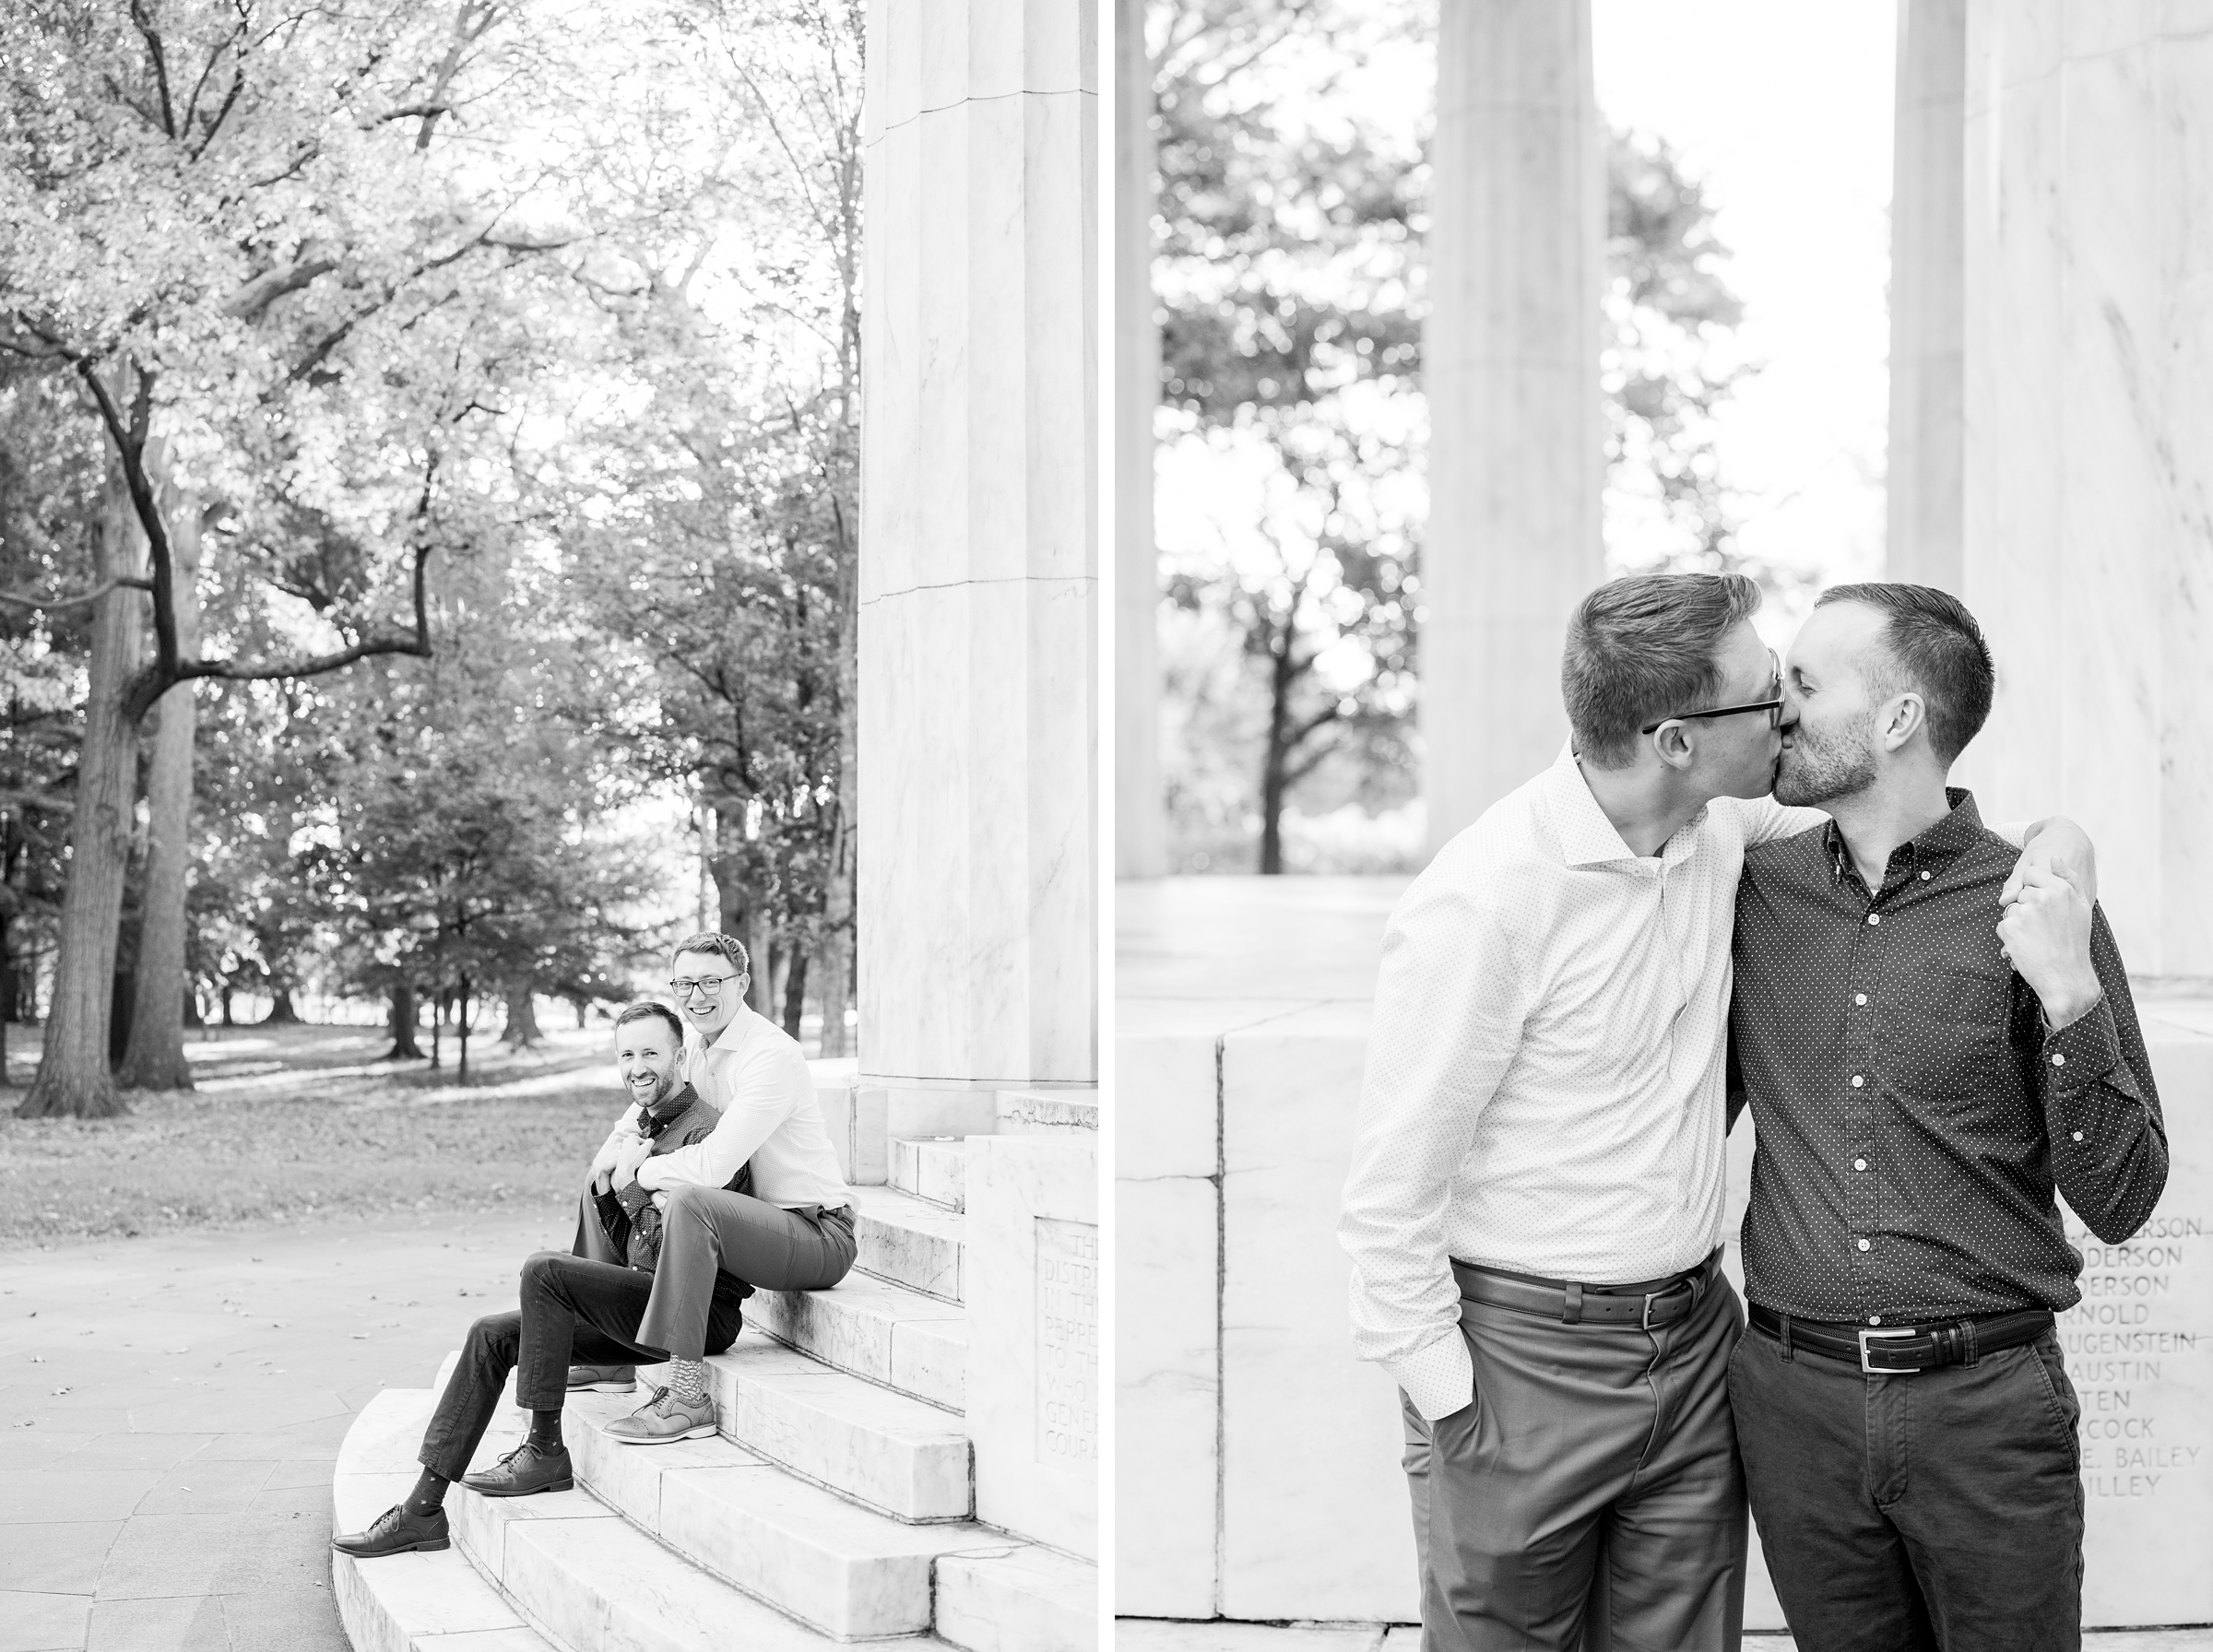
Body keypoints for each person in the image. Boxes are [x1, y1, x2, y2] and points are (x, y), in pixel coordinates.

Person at [1337, 572, 2094, 1652]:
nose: (1784, 708)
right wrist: (1457, 1407)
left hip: (1699, 1353)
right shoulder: (1487, 899)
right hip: (1523, 1361)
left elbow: (1902, 799)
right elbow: (1385, 1197)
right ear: (1678, 740)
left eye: (1792, 681)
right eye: (1766, 692)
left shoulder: (1720, 829)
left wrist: (2066, 844)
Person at [1725, 584, 2166, 1652]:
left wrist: (2070, 997)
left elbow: (2121, 1199)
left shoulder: (2038, 903)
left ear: (1898, 719)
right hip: (1795, 1408)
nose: (1776, 707)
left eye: (1805, 683)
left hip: (1988, 1414)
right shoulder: (1747, 887)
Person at [333, 1000, 747, 1560]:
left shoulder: (706, 1136)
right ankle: (421, 1511)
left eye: (651, 1052)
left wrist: (626, 1183)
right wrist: (616, 1177)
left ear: (680, 1055)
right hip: (645, 1305)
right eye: (627, 1055)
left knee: (544, 1271)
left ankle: (545, 1450)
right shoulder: (640, 1130)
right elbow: (631, 1245)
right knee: (492, 1334)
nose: (637, 1066)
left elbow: (676, 1252)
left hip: (698, 1316)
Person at [581, 930, 856, 1445]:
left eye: (711, 981)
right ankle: (613, 1347)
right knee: (595, 1186)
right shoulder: (696, 1051)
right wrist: (612, 1163)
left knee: (691, 1200)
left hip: (815, 1233)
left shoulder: (769, 1055)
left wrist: (638, 1173)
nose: (696, 995)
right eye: (684, 983)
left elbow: (711, 1167)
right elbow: (626, 1130)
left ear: (742, 983)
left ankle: (686, 1395)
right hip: (754, 1226)